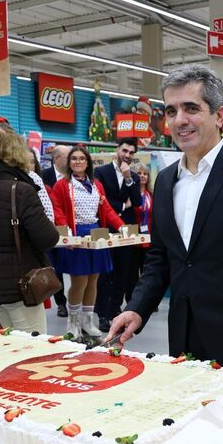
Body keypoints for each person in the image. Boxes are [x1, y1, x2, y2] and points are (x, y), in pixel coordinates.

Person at [104, 65, 223, 372]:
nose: (180, 120)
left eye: (191, 108)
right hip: (182, 335)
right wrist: (137, 309)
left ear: (219, 116)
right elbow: (160, 259)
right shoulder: (164, 181)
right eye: (171, 111)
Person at [0, 127, 60, 334]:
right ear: (17, 155)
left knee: (9, 344)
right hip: (21, 284)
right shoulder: (22, 190)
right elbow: (47, 237)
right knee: (33, 349)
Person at [49, 146, 125, 338]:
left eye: (82, 159)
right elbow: (57, 210)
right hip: (76, 235)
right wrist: (66, 231)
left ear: (88, 162)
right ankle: (73, 323)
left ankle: (87, 322)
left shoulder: (97, 184)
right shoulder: (62, 185)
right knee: (79, 281)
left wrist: (121, 226)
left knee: (94, 280)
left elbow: (106, 209)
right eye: (74, 159)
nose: (78, 162)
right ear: (69, 162)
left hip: (96, 234)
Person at [94, 138, 143, 329]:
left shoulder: (134, 177)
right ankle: (102, 312)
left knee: (123, 271)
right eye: (125, 151)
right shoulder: (101, 172)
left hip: (128, 229)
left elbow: (137, 202)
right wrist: (123, 205)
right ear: (117, 149)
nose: (127, 155)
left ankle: (115, 309)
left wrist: (129, 178)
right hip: (106, 227)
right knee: (106, 272)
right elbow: (101, 199)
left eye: (131, 153)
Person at [41, 144, 70, 317]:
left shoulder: (73, 177)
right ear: (57, 158)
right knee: (55, 267)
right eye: (68, 157)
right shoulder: (44, 176)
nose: (73, 160)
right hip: (50, 229)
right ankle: (61, 303)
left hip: (69, 227)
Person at [130, 161, 153, 297]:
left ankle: (146, 297)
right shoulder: (130, 194)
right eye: (139, 173)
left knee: (146, 270)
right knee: (132, 272)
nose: (142, 176)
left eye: (145, 174)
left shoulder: (151, 194)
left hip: (149, 239)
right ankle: (133, 297)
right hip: (133, 239)